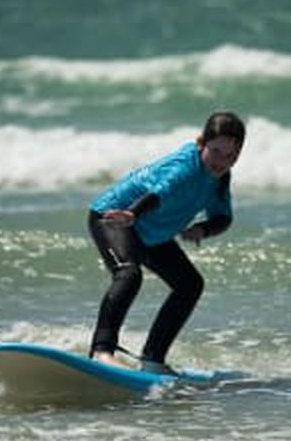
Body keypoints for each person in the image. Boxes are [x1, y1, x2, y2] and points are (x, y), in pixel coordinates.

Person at [87, 111, 246, 374]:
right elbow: (159, 194)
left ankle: (153, 360)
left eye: (232, 156)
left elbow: (223, 217)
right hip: (115, 216)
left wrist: (203, 229)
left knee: (190, 285)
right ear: (200, 143)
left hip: (152, 233)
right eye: (216, 151)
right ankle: (101, 352)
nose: (222, 162)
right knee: (128, 274)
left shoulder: (220, 177)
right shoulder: (185, 167)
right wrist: (132, 214)